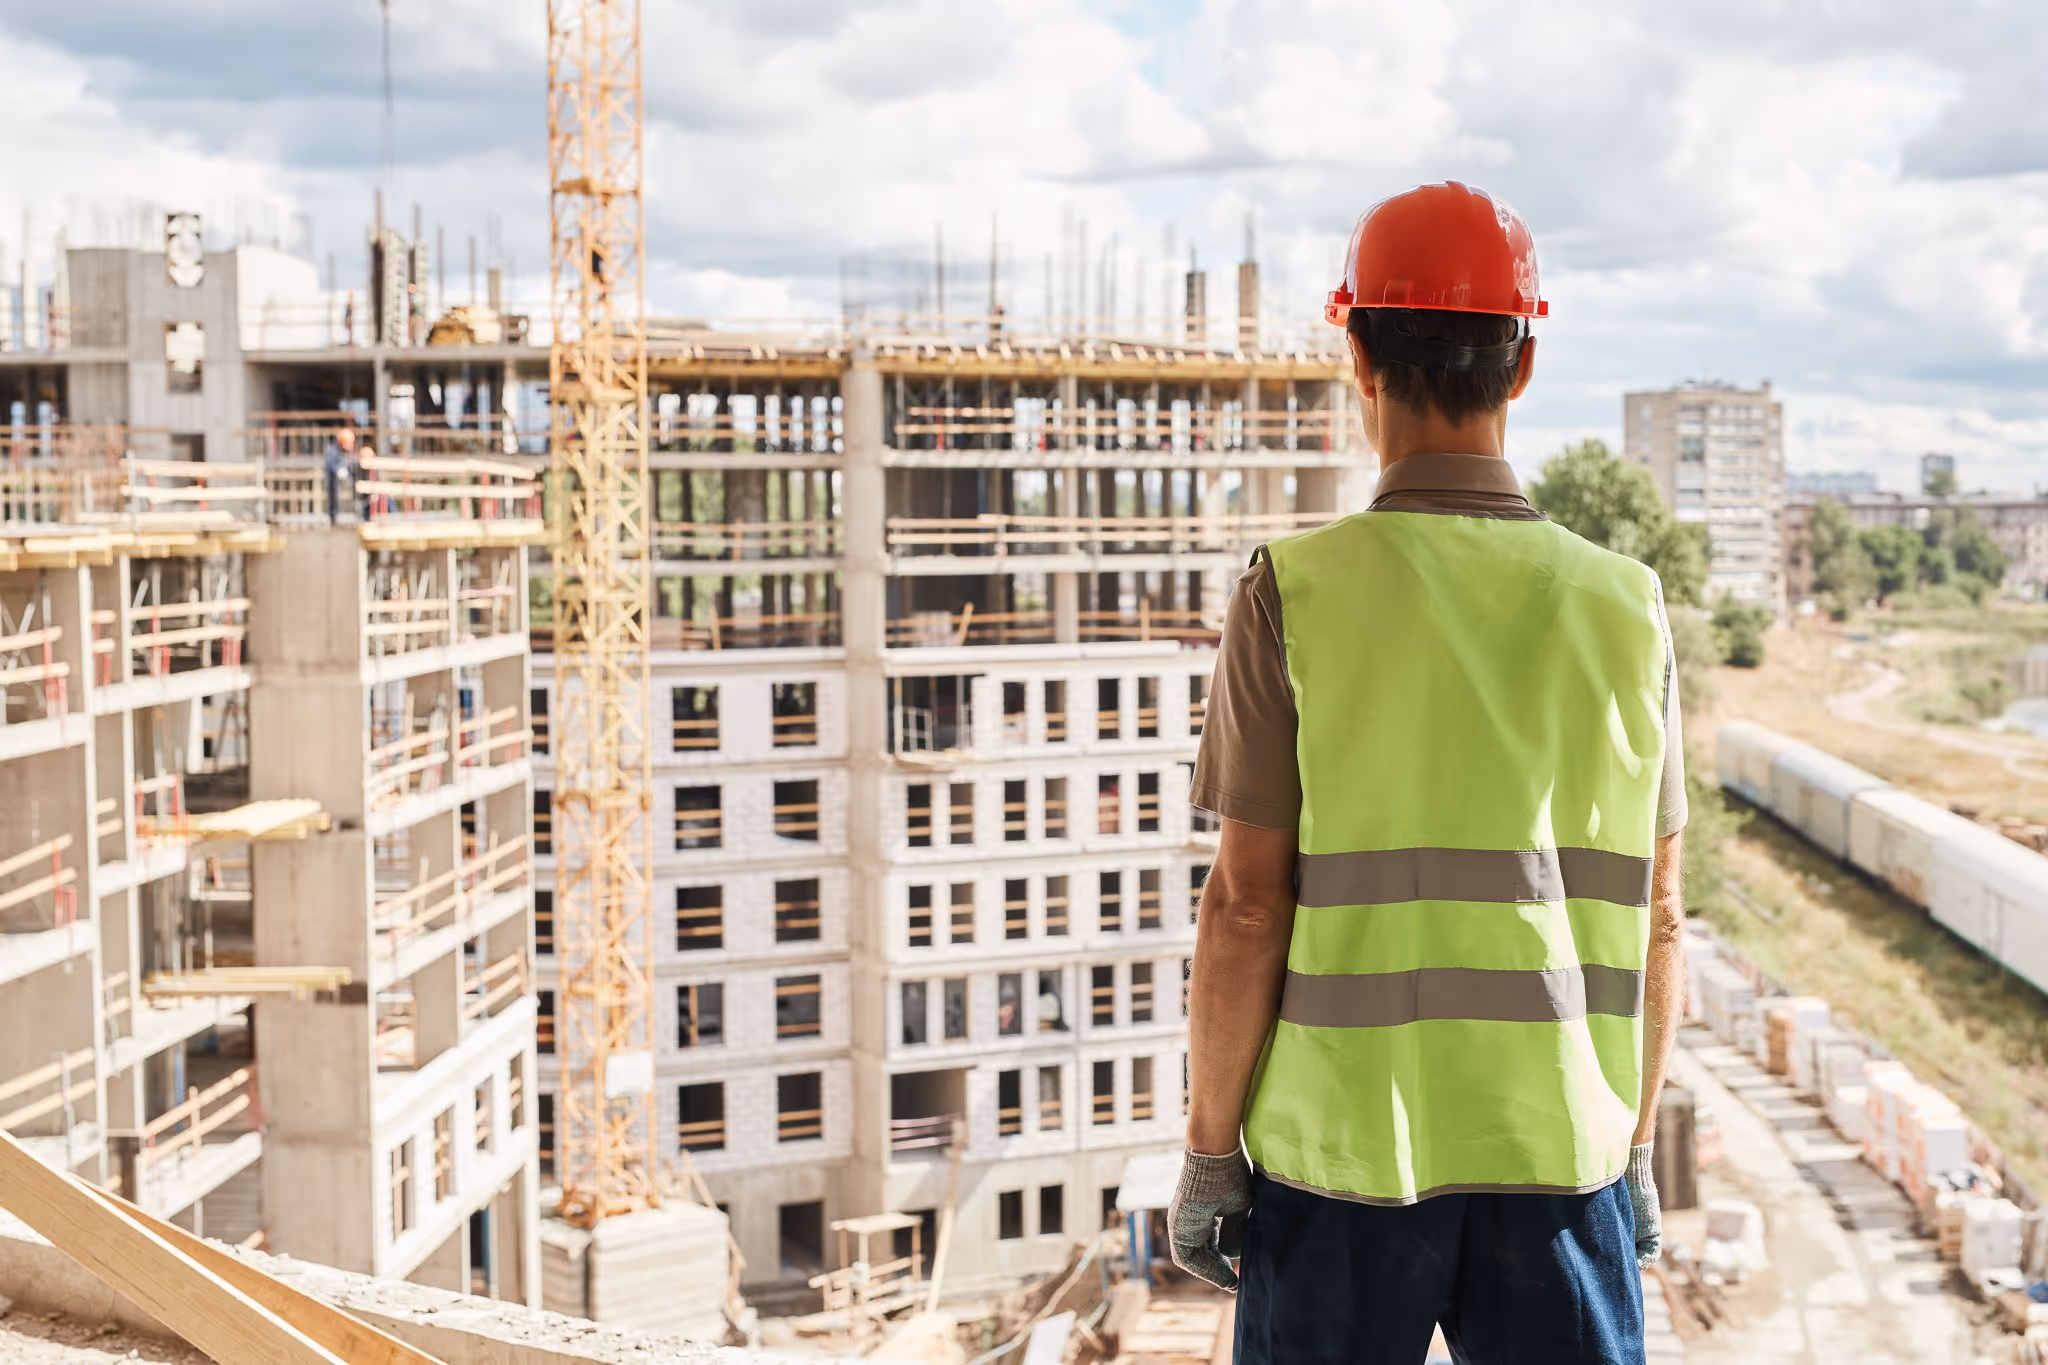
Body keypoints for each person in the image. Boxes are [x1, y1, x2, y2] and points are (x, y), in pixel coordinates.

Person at [1168, 181, 1688, 1364]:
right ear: (1521, 366)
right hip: (1561, 1158)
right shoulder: (1627, 608)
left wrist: (1209, 1152)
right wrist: (1635, 1143)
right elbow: (1659, 919)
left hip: (1341, 1160)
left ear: (1356, 353)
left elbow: (1246, 904)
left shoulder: (1291, 592)